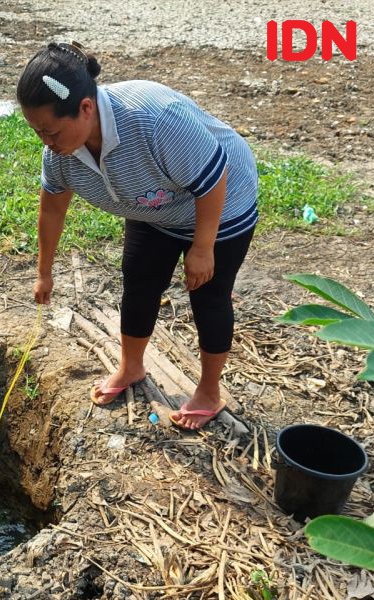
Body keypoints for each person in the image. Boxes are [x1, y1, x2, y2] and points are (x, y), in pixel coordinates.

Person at [17, 42, 259, 430]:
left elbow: (214, 178)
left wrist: (202, 247)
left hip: (223, 199)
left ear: (85, 108)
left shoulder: (155, 120)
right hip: (152, 205)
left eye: (51, 130)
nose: (47, 142)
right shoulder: (61, 155)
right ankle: (132, 368)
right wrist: (43, 271)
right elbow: (51, 208)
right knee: (139, 281)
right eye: (38, 132)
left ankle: (210, 393)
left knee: (209, 296)